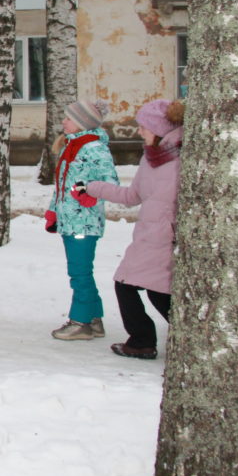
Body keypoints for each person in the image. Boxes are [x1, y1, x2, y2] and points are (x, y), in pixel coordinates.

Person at [81, 99, 185, 359]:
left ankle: (142, 342)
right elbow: (132, 196)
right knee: (156, 291)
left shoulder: (182, 160)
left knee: (128, 285)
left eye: (143, 127)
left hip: (164, 236)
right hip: (149, 236)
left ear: (159, 129)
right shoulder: (152, 158)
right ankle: (182, 338)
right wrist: (93, 187)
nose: (139, 132)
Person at [46, 99, 119, 341]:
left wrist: (86, 190)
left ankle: (80, 322)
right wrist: (53, 210)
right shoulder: (72, 145)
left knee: (79, 273)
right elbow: (63, 185)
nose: (63, 122)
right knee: (81, 271)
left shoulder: (94, 148)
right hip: (70, 219)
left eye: (68, 118)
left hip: (84, 221)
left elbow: (110, 183)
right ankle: (94, 319)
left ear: (81, 122)